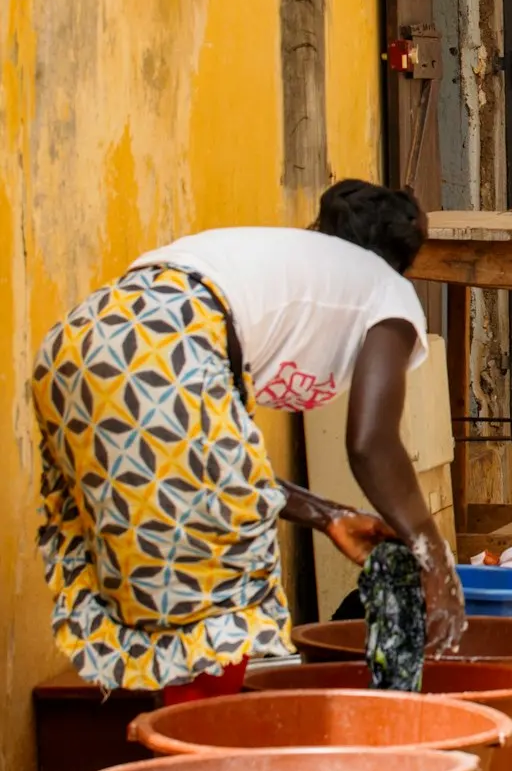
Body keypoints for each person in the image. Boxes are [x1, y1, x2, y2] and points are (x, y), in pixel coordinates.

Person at [33, 179, 466, 701]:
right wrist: (435, 557)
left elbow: (227, 474)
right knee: (225, 595)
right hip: (163, 347)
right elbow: (372, 443)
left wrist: (327, 515)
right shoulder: (387, 291)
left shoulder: (268, 267)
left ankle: (181, 745)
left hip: (80, 344)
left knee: (173, 597)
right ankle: (203, 756)